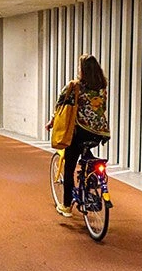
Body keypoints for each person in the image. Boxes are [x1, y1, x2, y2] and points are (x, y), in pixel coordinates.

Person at [45, 54, 110, 217]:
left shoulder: (75, 86)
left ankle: (66, 206)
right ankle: (92, 179)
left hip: (79, 132)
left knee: (69, 167)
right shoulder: (102, 87)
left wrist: (52, 122)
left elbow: (61, 104)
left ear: (82, 70)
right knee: (88, 157)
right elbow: (103, 108)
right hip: (99, 133)